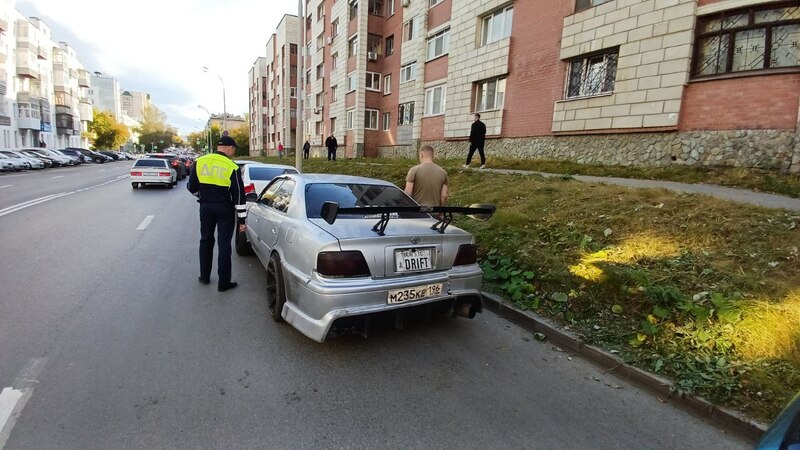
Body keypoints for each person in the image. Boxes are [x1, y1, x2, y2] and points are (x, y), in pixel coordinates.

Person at [187, 135, 247, 292]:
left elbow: (191, 187)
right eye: (233, 149)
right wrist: (242, 220)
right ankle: (224, 283)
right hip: (225, 209)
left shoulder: (200, 161)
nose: (233, 152)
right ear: (227, 148)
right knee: (224, 244)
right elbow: (239, 195)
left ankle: (204, 277)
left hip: (205, 207)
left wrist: (202, 196)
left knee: (205, 240)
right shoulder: (232, 167)